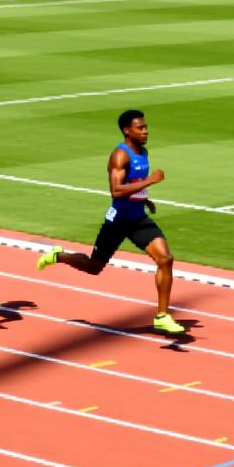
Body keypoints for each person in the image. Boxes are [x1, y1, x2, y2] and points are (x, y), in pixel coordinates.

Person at [36, 109, 185, 335]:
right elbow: (116, 191)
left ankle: (162, 316)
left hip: (138, 218)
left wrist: (145, 199)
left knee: (165, 259)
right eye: (140, 127)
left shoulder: (143, 151)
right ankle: (59, 255)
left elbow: (132, 183)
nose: (145, 131)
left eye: (146, 127)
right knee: (94, 267)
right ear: (127, 130)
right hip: (118, 221)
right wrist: (150, 181)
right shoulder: (120, 155)